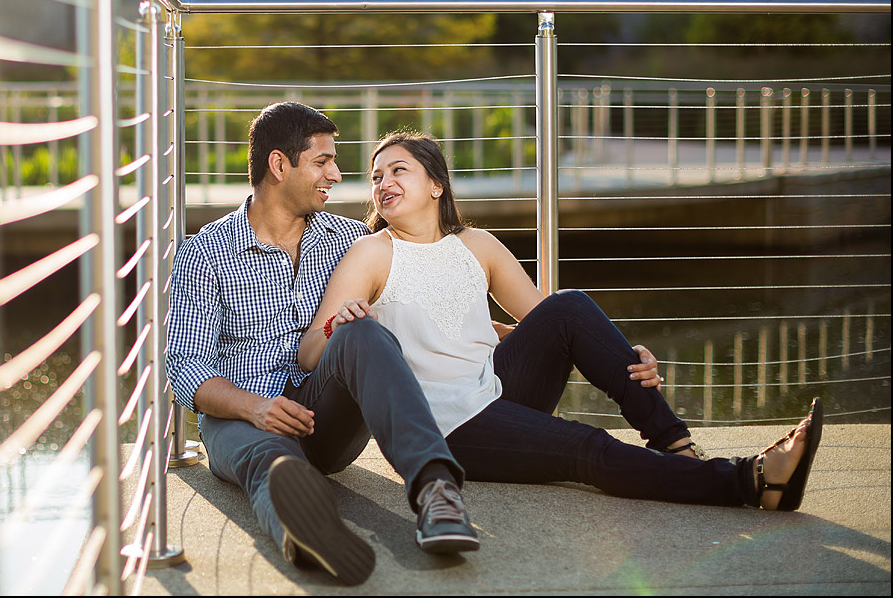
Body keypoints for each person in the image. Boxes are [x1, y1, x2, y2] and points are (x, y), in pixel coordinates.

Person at [298, 130, 824, 515]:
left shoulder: (477, 245)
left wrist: (626, 356)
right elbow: (310, 355)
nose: (382, 183)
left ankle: (674, 442)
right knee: (584, 447)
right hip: (447, 426)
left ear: (436, 185)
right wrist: (340, 326)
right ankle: (750, 481)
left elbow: (547, 323)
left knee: (569, 304)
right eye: (375, 177)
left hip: (498, 389)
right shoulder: (371, 253)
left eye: (398, 170)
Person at [167, 103, 485, 587]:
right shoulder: (205, 252)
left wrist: (513, 335)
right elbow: (186, 365)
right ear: (279, 165)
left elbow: (430, 304)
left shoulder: (354, 238)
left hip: (328, 413)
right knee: (269, 462)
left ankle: (437, 493)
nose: (336, 175)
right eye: (322, 162)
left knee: (361, 329)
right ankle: (305, 530)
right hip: (245, 416)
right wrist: (256, 408)